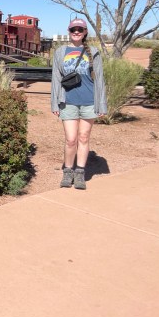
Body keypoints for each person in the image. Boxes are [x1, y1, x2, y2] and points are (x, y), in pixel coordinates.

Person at [50, 18, 107, 190]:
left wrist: (102, 104)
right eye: (73, 29)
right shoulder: (61, 52)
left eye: (80, 29)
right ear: (69, 31)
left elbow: (100, 80)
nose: (76, 32)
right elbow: (56, 79)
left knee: (83, 137)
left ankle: (80, 172)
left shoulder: (94, 52)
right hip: (68, 102)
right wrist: (54, 103)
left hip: (89, 102)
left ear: (85, 32)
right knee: (70, 139)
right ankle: (68, 171)